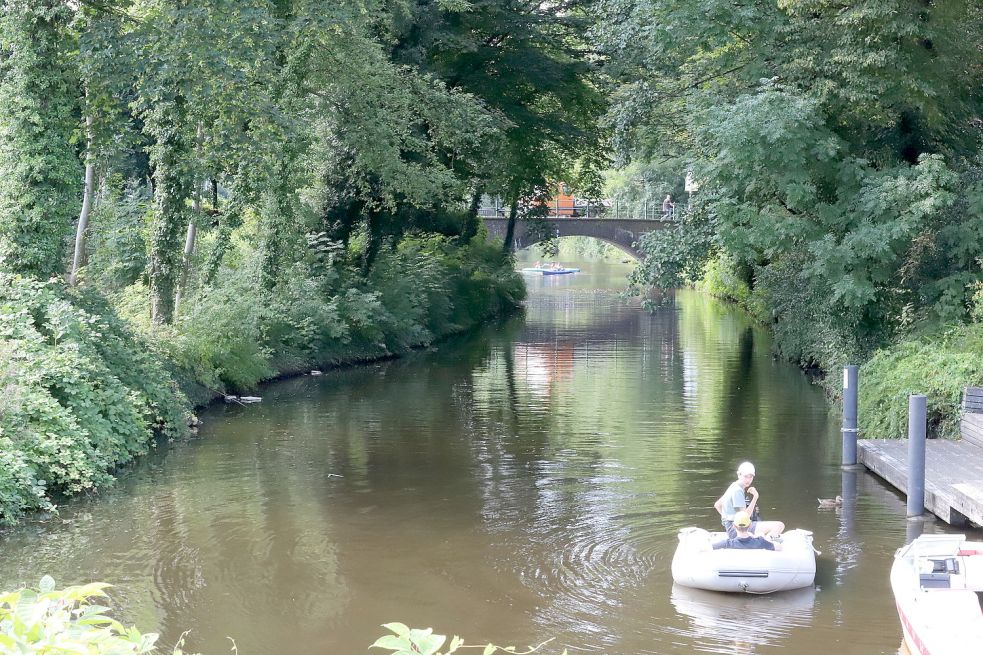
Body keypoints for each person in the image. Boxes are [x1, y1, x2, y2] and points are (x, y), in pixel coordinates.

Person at [713, 461, 785, 538]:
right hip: (738, 530)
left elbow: (717, 505)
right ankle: (766, 542)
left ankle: (761, 538)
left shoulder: (733, 486)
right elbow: (745, 516)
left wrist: (727, 521)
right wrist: (755, 497)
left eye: (751, 477)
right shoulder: (738, 490)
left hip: (733, 528)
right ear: (739, 474)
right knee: (779, 525)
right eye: (745, 476)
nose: (748, 480)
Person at [712, 511, 781, 550]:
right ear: (750, 525)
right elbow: (779, 547)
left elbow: (708, 548)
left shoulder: (727, 543)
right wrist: (763, 538)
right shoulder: (761, 542)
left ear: (733, 525)